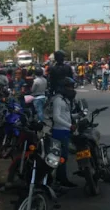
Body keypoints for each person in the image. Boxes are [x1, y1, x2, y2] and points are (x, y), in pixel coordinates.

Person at [48, 56, 78, 188]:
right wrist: (69, 125)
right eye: (70, 87)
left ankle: (60, 178)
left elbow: (67, 114)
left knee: (63, 156)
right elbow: (57, 117)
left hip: (64, 130)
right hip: (60, 131)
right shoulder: (59, 100)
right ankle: (58, 179)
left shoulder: (65, 100)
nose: (72, 90)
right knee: (59, 157)